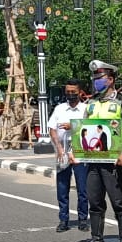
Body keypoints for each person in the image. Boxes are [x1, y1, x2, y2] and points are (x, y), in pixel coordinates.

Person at [74, 59, 122, 242]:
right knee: (94, 200)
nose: (96, 81)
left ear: (110, 79)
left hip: (113, 161)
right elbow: (84, 128)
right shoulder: (91, 103)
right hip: (93, 160)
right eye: (95, 78)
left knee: (119, 202)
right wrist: (74, 150)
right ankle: (96, 239)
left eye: (100, 78)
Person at [48, 79, 90, 232]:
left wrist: (73, 126)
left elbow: (92, 127)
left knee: (83, 188)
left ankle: (83, 219)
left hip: (80, 152)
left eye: (73, 92)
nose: (70, 94)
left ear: (80, 92)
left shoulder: (86, 109)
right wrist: (59, 148)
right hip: (63, 152)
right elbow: (52, 129)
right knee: (62, 188)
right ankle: (63, 220)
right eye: (68, 92)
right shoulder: (59, 109)